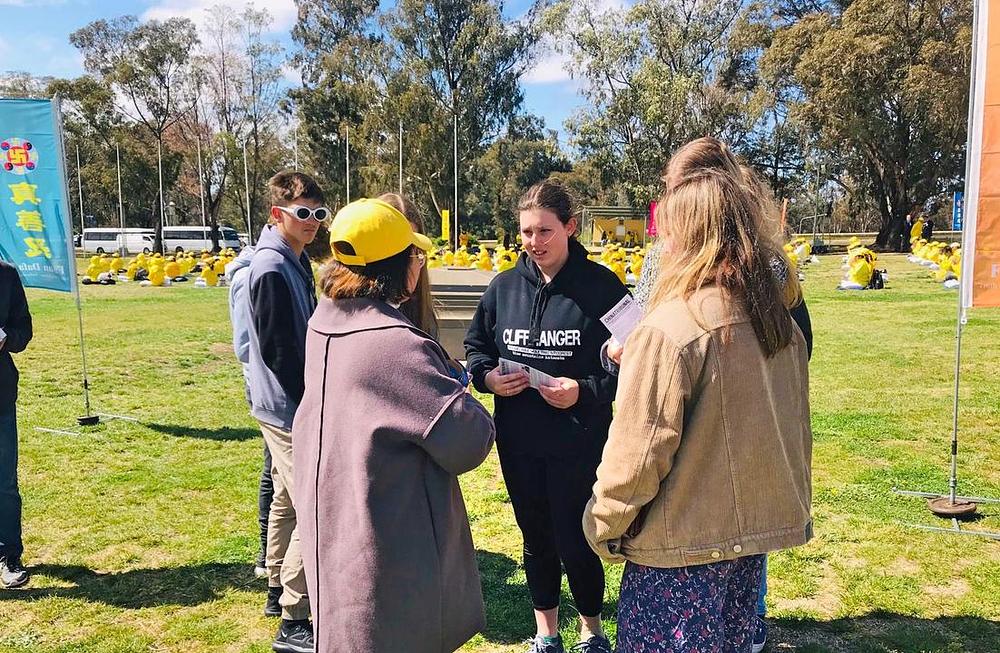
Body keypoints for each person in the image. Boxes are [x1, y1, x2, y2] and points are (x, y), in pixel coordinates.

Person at [583, 136, 812, 653]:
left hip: (678, 552)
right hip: (747, 542)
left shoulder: (671, 329)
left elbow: (638, 454)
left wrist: (601, 523)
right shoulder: (775, 318)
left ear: (683, 231)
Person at [292, 197, 496, 653]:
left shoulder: (324, 321)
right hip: (390, 542)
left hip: (339, 522)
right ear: (399, 263)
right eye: (416, 256)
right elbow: (468, 442)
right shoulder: (394, 343)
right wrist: (459, 386)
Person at [465, 180, 629, 653]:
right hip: (519, 440)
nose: (534, 242)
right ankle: (546, 632)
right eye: (526, 232)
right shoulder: (502, 288)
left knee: (577, 536)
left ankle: (593, 632)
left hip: (579, 440)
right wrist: (488, 379)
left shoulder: (603, 288)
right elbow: (477, 347)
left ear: (570, 227)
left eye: (545, 231)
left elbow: (639, 359)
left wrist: (584, 391)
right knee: (535, 536)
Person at [246, 171, 327, 653]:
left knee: (284, 495)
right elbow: (279, 350)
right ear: (278, 214)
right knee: (310, 503)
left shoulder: (292, 258)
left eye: (319, 214)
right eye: (303, 214)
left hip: (281, 403)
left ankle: (277, 587)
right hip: (288, 406)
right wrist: (312, 404)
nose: (313, 222)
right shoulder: (272, 267)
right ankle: (296, 617)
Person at [226, 244, 272, 581]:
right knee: (275, 470)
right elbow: (245, 345)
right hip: (267, 386)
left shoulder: (291, 264)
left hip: (279, 384)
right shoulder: (251, 275)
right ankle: (266, 553)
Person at [0, 261, 32, 589]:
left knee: (5, 484)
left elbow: (24, 329)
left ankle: (9, 555)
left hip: (0, 397)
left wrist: (7, 338)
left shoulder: (6, 275)